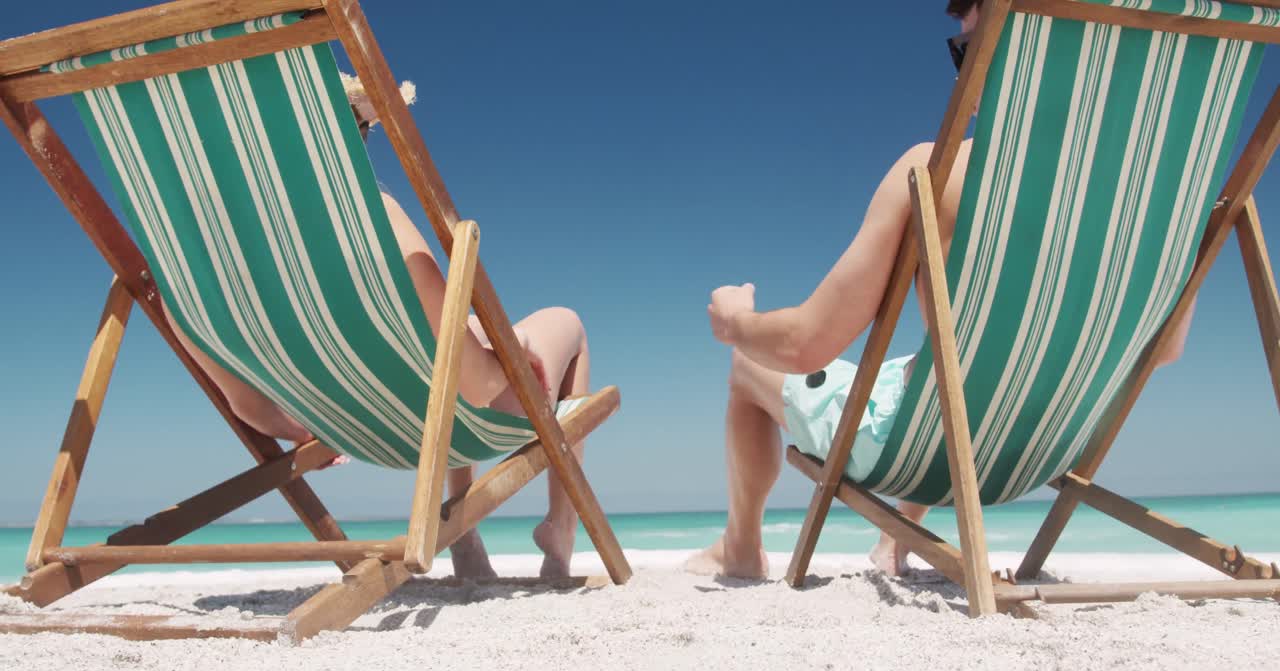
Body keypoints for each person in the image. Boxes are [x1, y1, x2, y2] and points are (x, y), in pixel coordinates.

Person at [686, 0, 1198, 580]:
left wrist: (737, 322)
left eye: (966, 48)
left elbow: (805, 344)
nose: (960, 70)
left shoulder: (938, 171)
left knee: (745, 368)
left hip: (934, 460)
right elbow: (1166, 348)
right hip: (1041, 453)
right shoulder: (1167, 199)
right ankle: (893, 541)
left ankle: (742, 547)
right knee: (932, 366)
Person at [164, 75, 590, 580]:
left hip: (365, 430)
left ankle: (462, 532)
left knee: (455, 333)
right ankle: (560, 528)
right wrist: (512, 347)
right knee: (566, 325)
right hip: (450, 420)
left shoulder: (179, 264)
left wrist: (306, 430)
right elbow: (480, 385)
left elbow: (252, 408)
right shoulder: (374, 220)